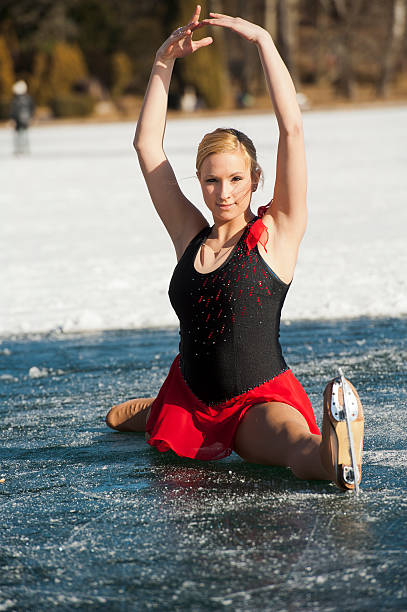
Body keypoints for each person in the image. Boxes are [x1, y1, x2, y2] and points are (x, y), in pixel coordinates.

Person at [105, 7, 364, 491]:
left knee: (294, 446)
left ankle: (336, 453)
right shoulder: (190, 235)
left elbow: (292, 129)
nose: (224, 193)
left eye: (236, 180)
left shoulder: (278, 232)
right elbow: (147, 147)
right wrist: (164, 62)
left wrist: (265, 42)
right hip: (188, 395)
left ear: (255, 180)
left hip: (255, 401)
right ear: (199, 182)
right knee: (126, 419)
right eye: (212, 181)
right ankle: (153, 408)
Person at [10, 80, 35, 155]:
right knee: (23, 135)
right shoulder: (28, 98)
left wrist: (12, 119)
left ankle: (20, 149)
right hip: (24, 120)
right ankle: (24, 149)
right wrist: (31, 117)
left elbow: (13, 110)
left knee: (20, 135)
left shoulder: (16, 100)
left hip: (19, 120)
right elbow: (32, 108)